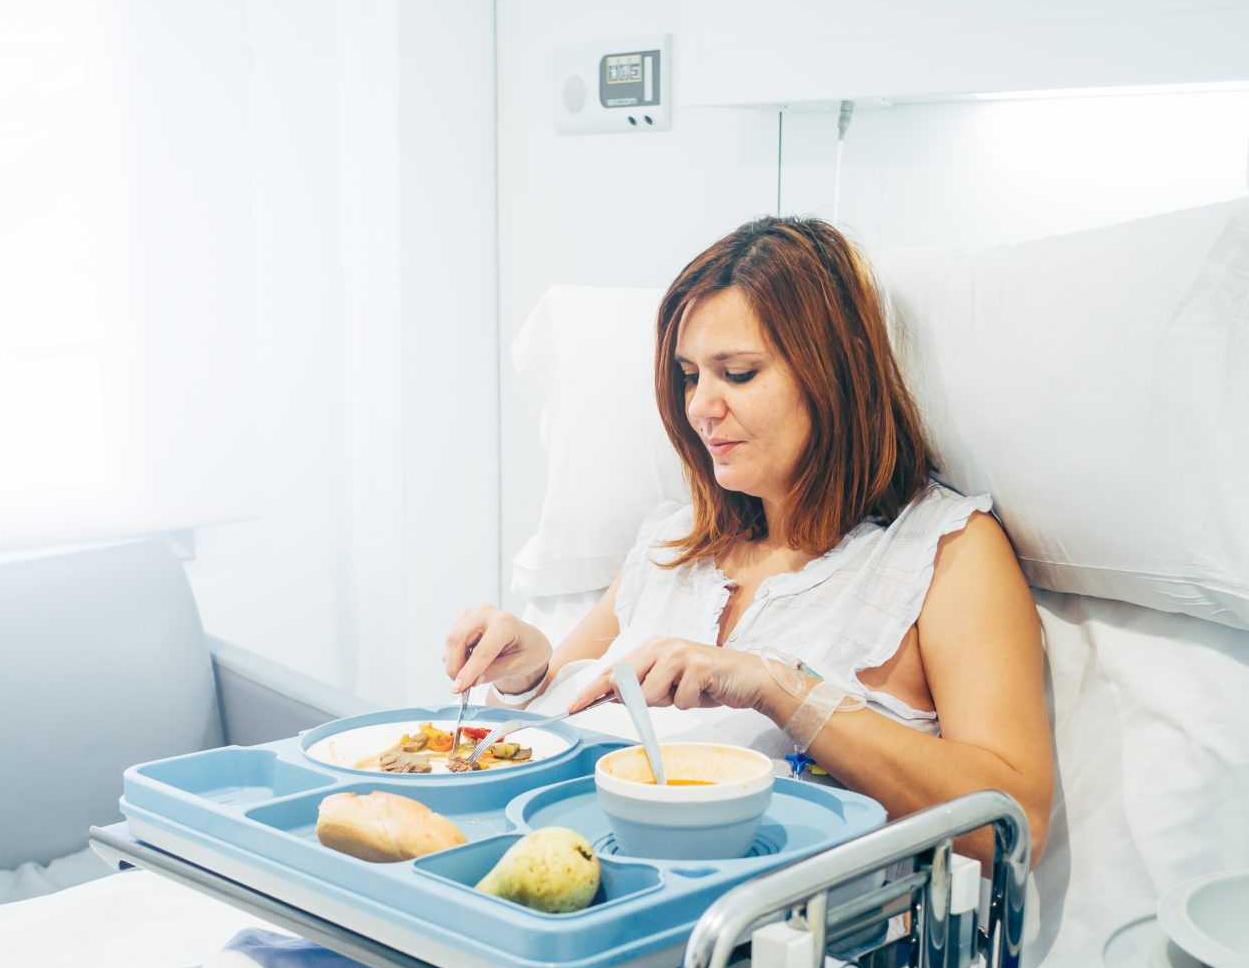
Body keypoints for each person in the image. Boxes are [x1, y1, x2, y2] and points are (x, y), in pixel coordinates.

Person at [445, 217, 1053, 863]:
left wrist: (775, 686)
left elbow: (1015, 823)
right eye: (689, 376)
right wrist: (527, 671)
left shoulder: (944, 553)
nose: (701, 406)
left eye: (736, 374)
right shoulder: (672, 544)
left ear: (833, 373)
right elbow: (558, 723)